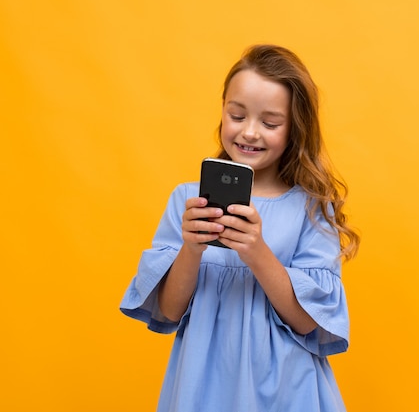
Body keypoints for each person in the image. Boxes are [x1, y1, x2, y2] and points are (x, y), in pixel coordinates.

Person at [120, 44, 360, 411]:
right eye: (237, 115)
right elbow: (168, 311)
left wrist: (256, 252)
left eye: (270, 123)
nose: (249, 133)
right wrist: (192, 247)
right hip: (202, 386)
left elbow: (309, 322)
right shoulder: (186, 200)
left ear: (294, 127)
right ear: (222, 111)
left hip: (285, 389)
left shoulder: (311, 207)